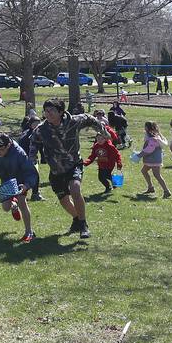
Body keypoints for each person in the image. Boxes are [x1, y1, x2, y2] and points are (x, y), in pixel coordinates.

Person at [29, 98, 112, 238]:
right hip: (56, 169)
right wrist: (32, 158)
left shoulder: (74, 121)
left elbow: (90, 119)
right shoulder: (42, 130)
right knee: (63, 200)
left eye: (51, 111)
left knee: (75, 189)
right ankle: (76, 219)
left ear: (61, 111)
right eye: (46, 111)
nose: (48, 114)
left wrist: (103, 132)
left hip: (74, 164)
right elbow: (33, 142)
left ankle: (83, 225)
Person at [0, 132, 38, 243]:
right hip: (6, 179)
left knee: (22, 202)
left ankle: (29, 232)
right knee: (6, 207)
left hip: (20, 180)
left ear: (8, 145)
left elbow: (31, 172)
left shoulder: (19, 153)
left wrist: (26, 185)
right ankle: (13, 205)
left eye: (1, 149)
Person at [135, 121, 171, 198]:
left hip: (154, 160)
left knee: (157, 175)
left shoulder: (153, 138)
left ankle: (166, 191)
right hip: (150, 159)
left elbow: (149, 150)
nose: (144, 128)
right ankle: (150, 187)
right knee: (144, 171)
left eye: (145, 126)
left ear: (147, 128)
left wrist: (139, 155)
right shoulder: (151, 135)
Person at [17, 115, 44, 201]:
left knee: (31, 176)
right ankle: (34, 194)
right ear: (30, 124)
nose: (37, 125)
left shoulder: (28, 132)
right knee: (35, 175)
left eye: (38, 123)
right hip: (27, 158)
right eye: (35, 124)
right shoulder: (31, 134)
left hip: (28, 157)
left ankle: (27, 193)